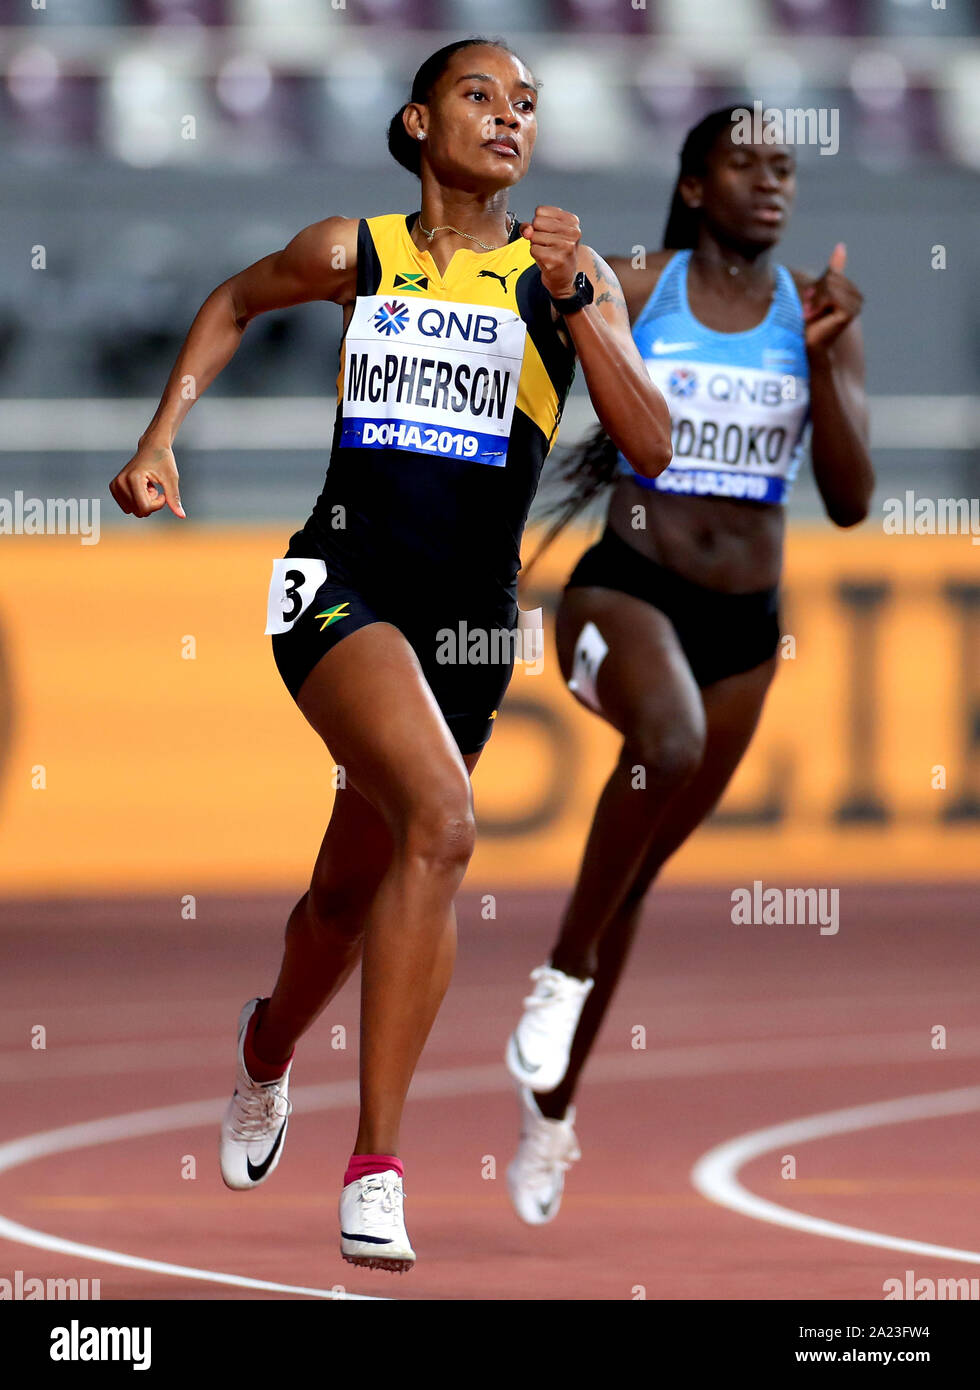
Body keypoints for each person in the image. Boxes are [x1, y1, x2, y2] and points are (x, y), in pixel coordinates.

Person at [109, 37, 672, 1272]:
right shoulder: (351, 250)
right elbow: (233, 302)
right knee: (444, 817)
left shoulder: (558, 277)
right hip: (337, 585)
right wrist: (162, 437)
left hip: (464, 629)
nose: (508, 117)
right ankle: (375, 1166)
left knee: (344, 901)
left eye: (527, 104)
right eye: (480, 95)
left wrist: (582, 307)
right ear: (418, 123)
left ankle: (265, 1049)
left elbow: (652, 446)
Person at [504, 106, 873, 1225]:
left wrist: (819, 362)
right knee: (667, 743)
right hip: (623, 584)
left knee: (635, 878)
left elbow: (851, 503)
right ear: (694, 183)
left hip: (742, 625)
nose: (770, 185)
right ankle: (557, 972)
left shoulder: (815, 312)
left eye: (786, 169)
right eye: (745, 165)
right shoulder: (633, 281)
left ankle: (549, 1117)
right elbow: (529, 368)